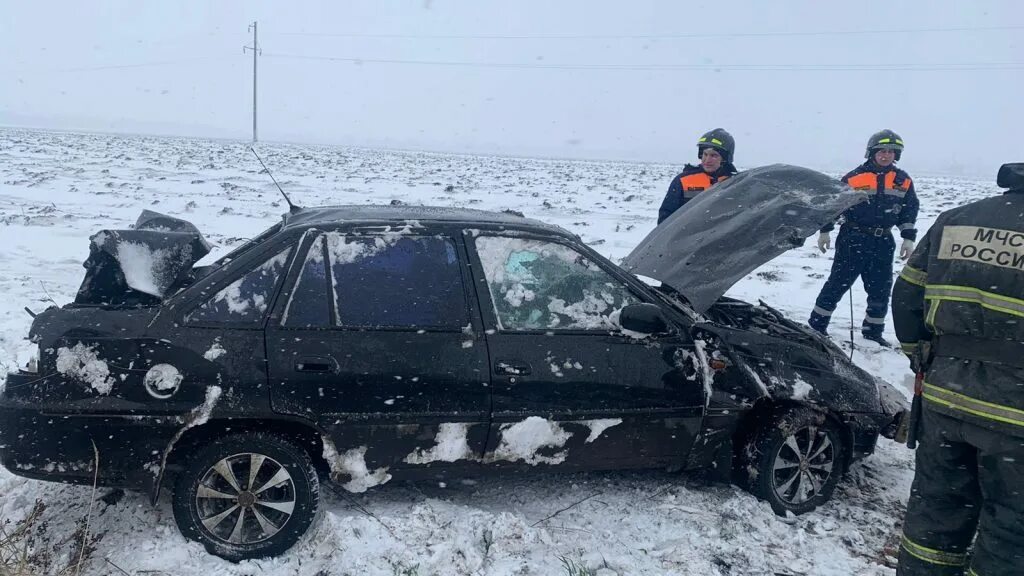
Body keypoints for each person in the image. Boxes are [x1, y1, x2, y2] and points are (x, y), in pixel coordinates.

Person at [891, 162, 1024, 576]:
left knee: (935, 510)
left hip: (945, 397)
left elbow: (906, 296)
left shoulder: (957, 220)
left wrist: (923, 358)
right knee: (1011, 530)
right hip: (1015, 416)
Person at [807, 129, 919, 346]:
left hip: (883, 241)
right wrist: (825, 230)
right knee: (837, 284)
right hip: (853, 238)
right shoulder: (853, 178)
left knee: (880, 289)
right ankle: (817, 326)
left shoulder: (903, 180)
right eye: (881, 151)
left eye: (891, 152)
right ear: (872, 152)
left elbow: (909, 209)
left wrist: (908, 237)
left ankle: (873, 332)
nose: (886, 155)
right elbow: (835, 205)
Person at [657, 128, 738, 223]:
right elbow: (666, 217)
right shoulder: (683, 181)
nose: (707, 160)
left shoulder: (735, 182)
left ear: (725, 158)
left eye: (714, 155)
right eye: (705, 154)